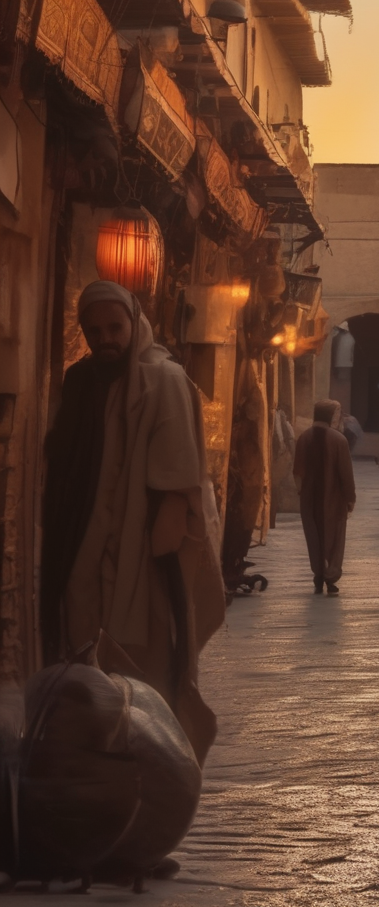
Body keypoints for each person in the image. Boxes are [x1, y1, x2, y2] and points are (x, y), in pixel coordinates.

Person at [41, 280, 225, 765]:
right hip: (87, 545)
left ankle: (155, 761)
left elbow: (177, 482)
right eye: (95, 330)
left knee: (149, 658)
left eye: (114, 328)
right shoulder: (82, 383)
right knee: (86, 652)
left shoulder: (163, 380)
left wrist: (158, 561)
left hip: (142, 554)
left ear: (134, 324)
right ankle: (97, 760)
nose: (106, 338)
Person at [293, 399, 356, 594]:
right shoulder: (339, 440)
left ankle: (318, 575)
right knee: (335, 537)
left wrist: (302, 493)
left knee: (314, 537)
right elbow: (346, 473)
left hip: (309, 499)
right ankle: (331, 576)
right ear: (331, 416)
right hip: (334, 499)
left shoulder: (304, 438)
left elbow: (298, 472)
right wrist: (350, 497)